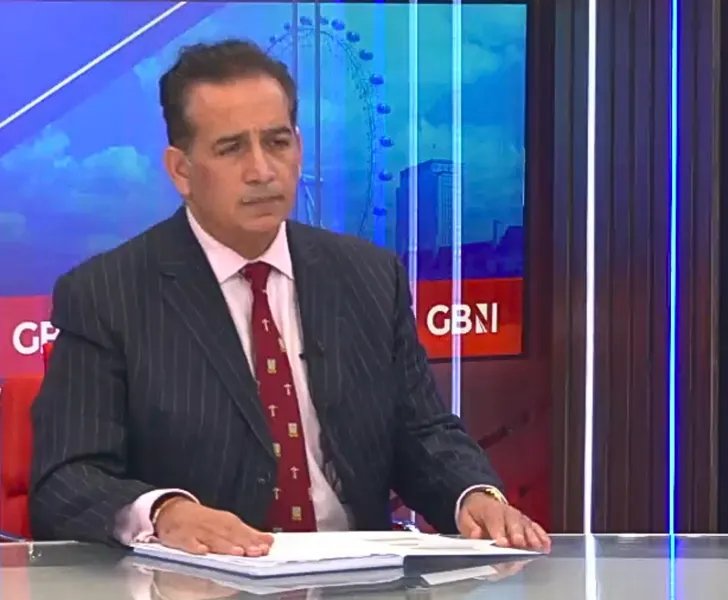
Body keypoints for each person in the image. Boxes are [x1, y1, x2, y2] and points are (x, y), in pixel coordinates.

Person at [29, 40, 550, 554]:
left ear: (298, 148)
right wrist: (165, 512)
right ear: (181, 170)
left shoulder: (369, 275)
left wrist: (473, 495)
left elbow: (422, 432)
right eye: (231, 148)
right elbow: (66, 480)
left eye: (277, 142)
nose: (262, 170)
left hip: (356, 577)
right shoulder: (107, 294)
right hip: (200, 580)